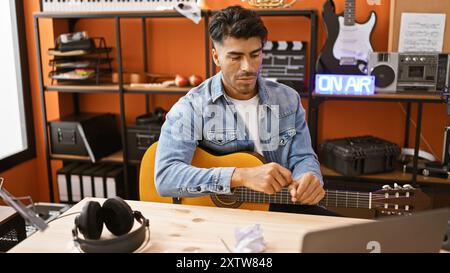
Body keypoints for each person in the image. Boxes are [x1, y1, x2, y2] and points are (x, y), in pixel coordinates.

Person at [154, 5, 338, 216]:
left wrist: (309, 175)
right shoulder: (192, 106)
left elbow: (303, 156)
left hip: (282, 208)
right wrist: (240, 176)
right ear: (216, 57)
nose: (248, 67)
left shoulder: (288, 99)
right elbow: (165, 177)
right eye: (235, 57)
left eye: (255, 54)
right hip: (220, 215)